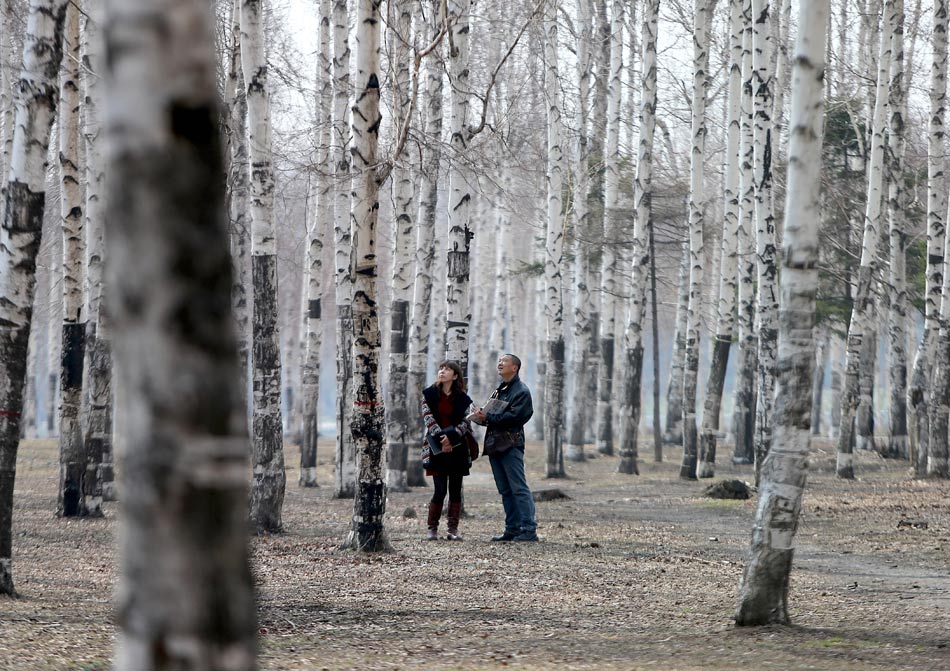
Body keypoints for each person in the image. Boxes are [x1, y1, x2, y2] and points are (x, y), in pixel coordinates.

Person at [473, 353, 538, 542]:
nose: (500, 364)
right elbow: (494, 415)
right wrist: (481, 416)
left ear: (515, 367)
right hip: (495, 445)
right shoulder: (500, 389)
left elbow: (516, 417)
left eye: (504, 361)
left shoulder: (521, 391)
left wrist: (489, 417)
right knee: (505, 490)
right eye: (499, 361)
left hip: (511, 444)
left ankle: (529, 529)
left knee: (518, 488)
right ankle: (512, 528)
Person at [420, 361, 477, 541]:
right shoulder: (428, 394)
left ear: (455, 376)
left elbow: (467, 420)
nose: (442, 371)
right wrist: (442, 438)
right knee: (439, 490)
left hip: (457, 448)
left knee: (455, 489)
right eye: (441, 368)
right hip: (436, 448)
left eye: (447, 369)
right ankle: (432, 529)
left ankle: (452, 530)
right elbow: (428, 418)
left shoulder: (463, 398)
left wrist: (452, 437)